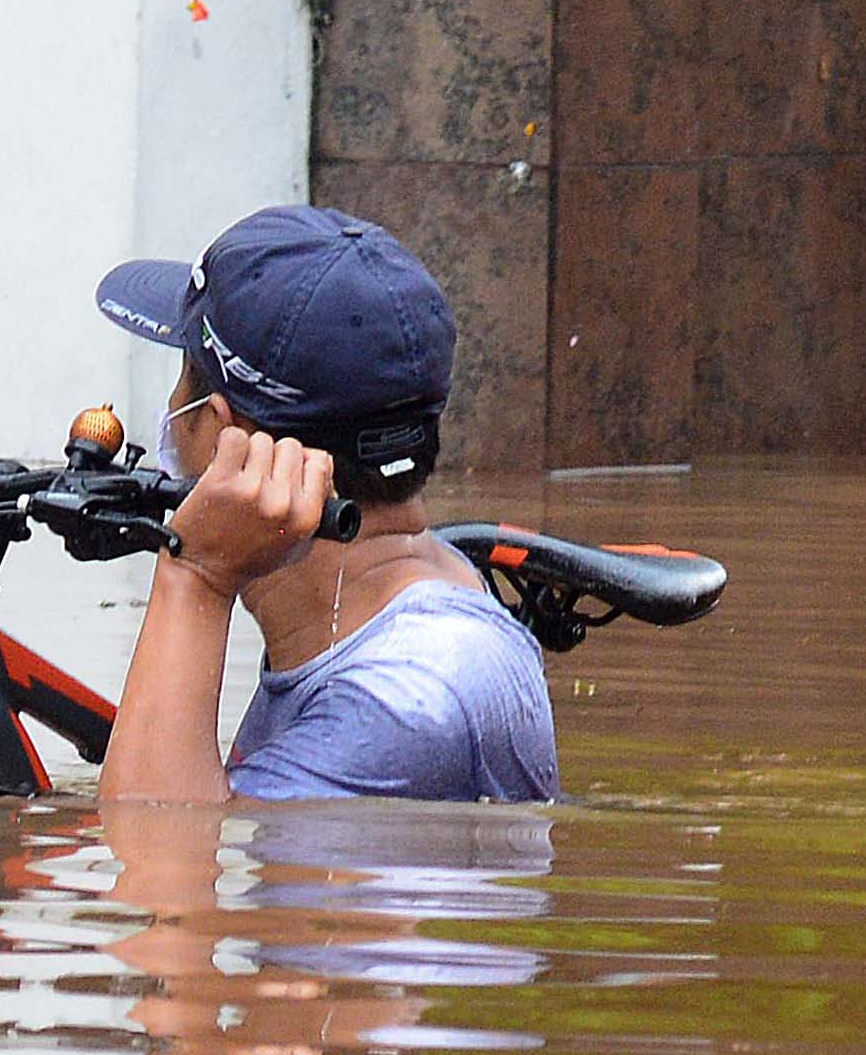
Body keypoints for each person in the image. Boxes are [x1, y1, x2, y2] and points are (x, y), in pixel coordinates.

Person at [96, 205, 559, 806]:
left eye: (185, 377)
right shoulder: (378, 608)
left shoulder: (409, 699)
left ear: (225, 439)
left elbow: (155, 869)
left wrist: (197, 577)